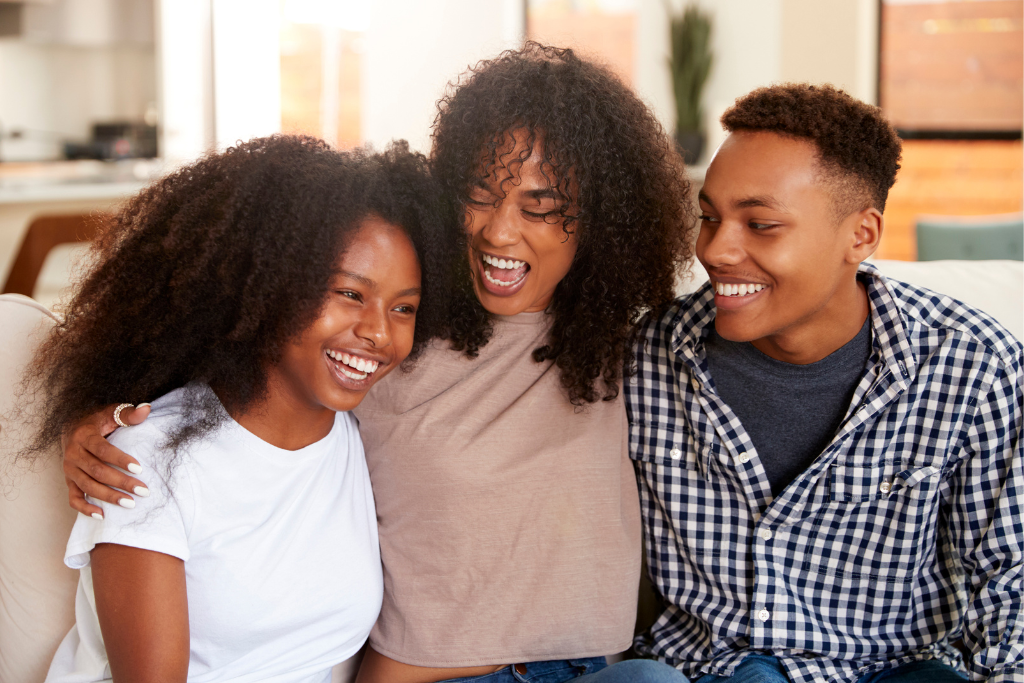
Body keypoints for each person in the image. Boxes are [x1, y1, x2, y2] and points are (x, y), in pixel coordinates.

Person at [57, 44, 696, 683]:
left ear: (602, 220)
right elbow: (231, 366)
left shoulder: (633, 347)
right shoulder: (392, 345)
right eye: (480, 193)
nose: (499, 233)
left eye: (539, 206)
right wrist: (101, 415)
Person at [627, 84, 1023, 682]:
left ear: (860, 236)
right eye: (709, 217)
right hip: (700, 670)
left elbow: (1013, 585)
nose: (716, 249)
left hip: (890, 672)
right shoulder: (648, 358)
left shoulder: (974, 366)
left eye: (760, 224)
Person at [18, 135, 448, 682]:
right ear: (267, 286)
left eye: (404, 307)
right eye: (349, 294)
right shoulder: (147, 460)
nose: (379, 333)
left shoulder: (367, 431)